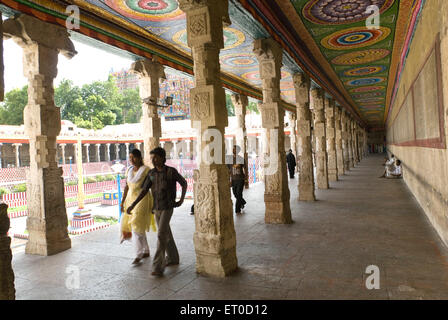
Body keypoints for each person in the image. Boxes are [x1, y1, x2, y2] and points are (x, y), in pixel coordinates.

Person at [127, 147, 187, 276]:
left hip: (167, 207)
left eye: (156, 158)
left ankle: (157, 266)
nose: (153, 160)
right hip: (157, 207)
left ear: (162, 158)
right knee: (166, 233)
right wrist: (133, 204)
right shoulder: (152, 174)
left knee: (160, 234)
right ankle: (173, 258)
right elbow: (143, 191)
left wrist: (181, 200)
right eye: (152, 158)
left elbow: (184, 183)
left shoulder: (171, 171)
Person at [120, 149, 157, 265]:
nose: (131, 160)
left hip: (143, 199)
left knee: (136, 225)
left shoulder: (147, 171)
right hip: (130, 200)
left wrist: (155, 203)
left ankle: (138, 254)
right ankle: (146, 250)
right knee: (139, 226)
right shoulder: (129, 170)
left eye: (134, 157)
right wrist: (122, 201)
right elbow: (127, 187)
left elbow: (151, 187)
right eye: (130, 157)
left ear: (140, 157)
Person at [228, 145, 247, 215]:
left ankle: (237, 210)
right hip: (233, 180)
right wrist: (229, 180)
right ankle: (242, 202)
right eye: (233, 149)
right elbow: (228, 171)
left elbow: (245, 169)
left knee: (239, 194)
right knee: (235, 194)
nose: (234, 150)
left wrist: (246, 179)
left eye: (235, 149)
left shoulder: (241, 159)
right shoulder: (229, 160)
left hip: (240, 179)